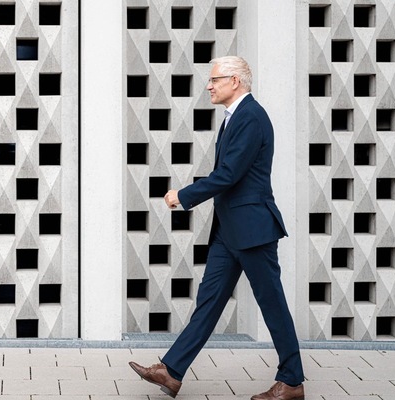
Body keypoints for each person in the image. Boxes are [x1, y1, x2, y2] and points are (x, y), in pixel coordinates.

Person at [128, 56, 305, 400]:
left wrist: (184, 195)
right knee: (208, 303)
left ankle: (292, 381)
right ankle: (171, 371)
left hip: (253, 229)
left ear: (235, 81)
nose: (209, 86)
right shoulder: (235, 117)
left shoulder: (251, 117)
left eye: (215, 80)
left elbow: (229, 174)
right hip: (230, 229)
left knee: (272, 304)